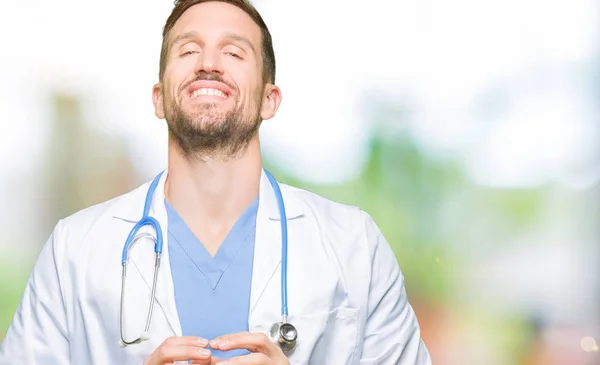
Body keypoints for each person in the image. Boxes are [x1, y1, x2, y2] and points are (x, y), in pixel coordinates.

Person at [0, 0, 432, 364]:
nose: (208, 64)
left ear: (269, 99)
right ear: (158, 98)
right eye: (188, 51)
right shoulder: (73, 250)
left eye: (234, 52)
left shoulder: (354, 244)